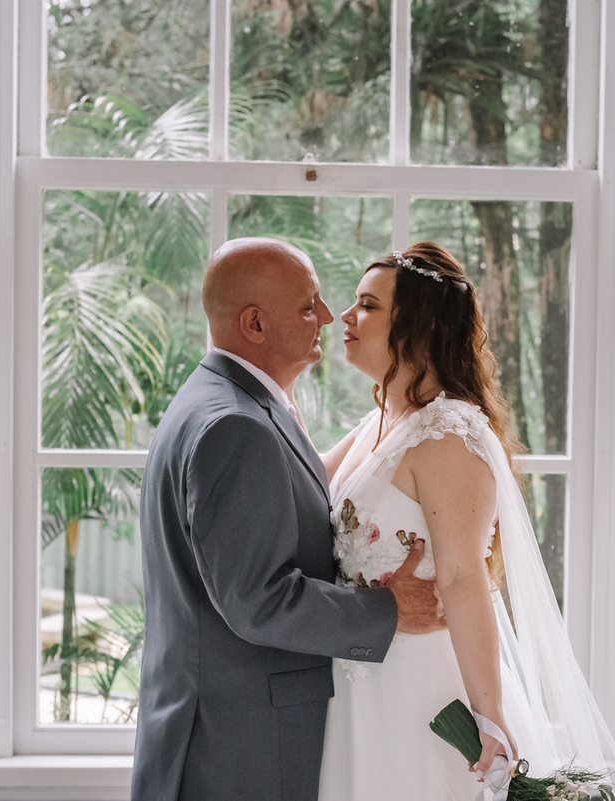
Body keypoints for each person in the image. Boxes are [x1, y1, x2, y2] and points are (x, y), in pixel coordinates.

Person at [318, 242, 615, 800]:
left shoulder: (447, 435)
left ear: (416, 326)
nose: (345, 317)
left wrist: (488, 715)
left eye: (367, 306)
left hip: (417, 690)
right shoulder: (381, 420)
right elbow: (302, 488)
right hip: (358, 683)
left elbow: (465, 578)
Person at [130, 238, 446, 801]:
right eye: (309, 305)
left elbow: (288, 499)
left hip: (217, 727)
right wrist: (387, 611)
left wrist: (397, 418)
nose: (328, 316)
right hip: (239, 745)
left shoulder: (224, 402)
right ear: (254, 324)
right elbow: (258, 600)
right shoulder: (237, 427)